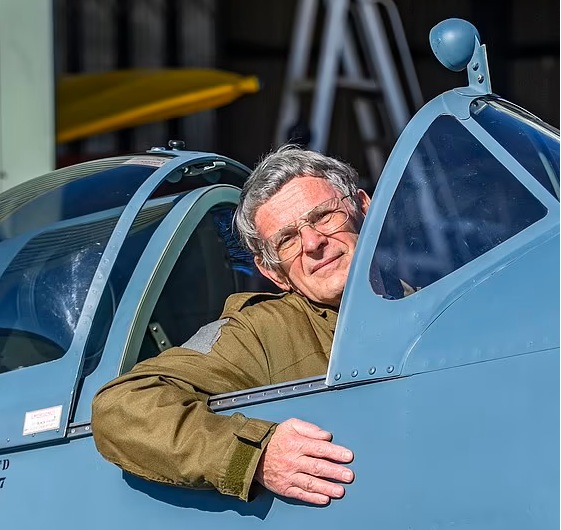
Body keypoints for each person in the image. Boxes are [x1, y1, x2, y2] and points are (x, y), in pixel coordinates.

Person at [91, 144, 371, 506]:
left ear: (363, 207)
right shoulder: (262, 330)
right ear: (272, 273)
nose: (313, 242)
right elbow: (122, 407)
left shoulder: (429, 298)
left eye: (323, 216)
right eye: (287, 239)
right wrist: (253, 455)